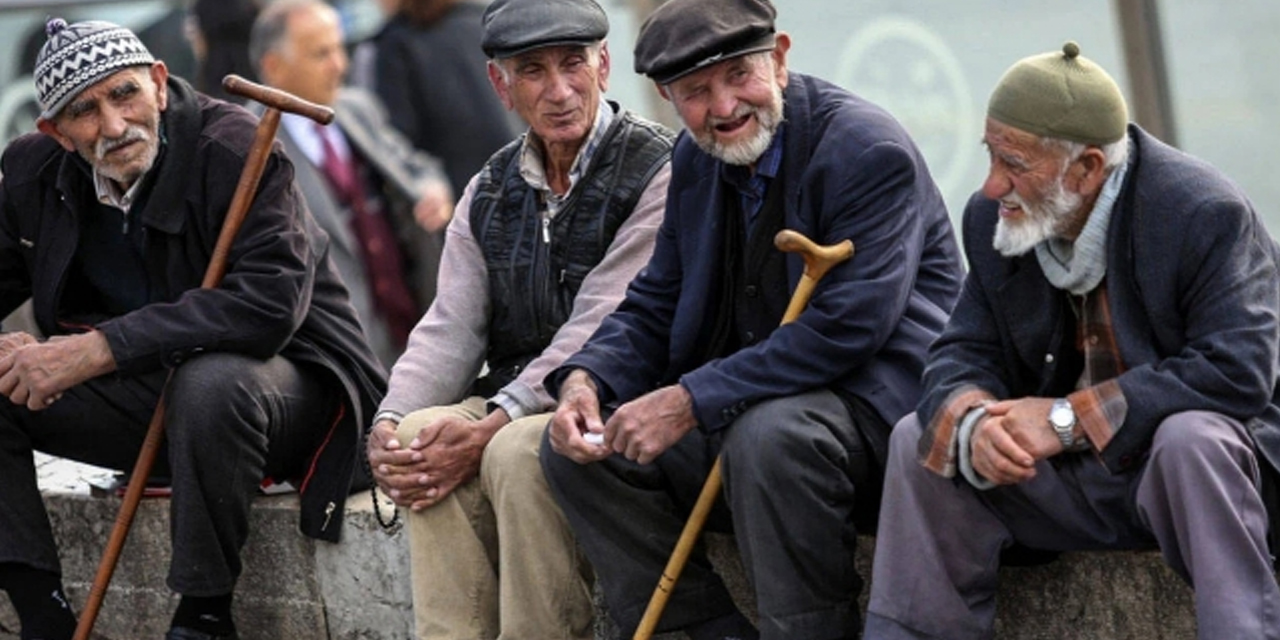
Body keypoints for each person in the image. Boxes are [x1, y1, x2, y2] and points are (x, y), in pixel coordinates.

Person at [539, 0, 965, 638]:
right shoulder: (694, 159)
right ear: (667, 97)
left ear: (782, 58)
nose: (725, 106)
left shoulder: (865, 149)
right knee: (579, 453)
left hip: (879, 410)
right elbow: (656, 299)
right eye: (696, 92)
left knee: (770, 438)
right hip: (750, 402)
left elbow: (849, 330)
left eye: (740, 75)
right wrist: (588, 382)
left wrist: (690, 398)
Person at [863, 42, 1280, 640]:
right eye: (990, 156)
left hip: (1188, 481)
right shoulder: (995, 221)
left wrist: (1065, 420)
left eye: (1013, 164)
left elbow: (1238, 373)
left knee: (1192, 437)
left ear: (1085, 168)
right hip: (1068, 481)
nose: (991, 185)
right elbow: (961, 351)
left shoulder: (1203, 213)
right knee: (921, 436)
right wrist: (977, 420)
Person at [0, 18, 384, 640]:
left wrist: (98, 349)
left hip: (290, 392)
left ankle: (203, 616)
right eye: (84, 111)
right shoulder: (33, 174)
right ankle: (37, 606)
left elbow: (268, 307)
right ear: (56, 133)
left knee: (210, 383)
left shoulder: (232, 147)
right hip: (150, 393)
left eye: (124, 94)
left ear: (157, 82)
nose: (114, 126)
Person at [364, 0, 674, 637]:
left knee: (510, 450)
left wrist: (500, 416)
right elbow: (449, 325)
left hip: (620, 398)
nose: (559, 91)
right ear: (501, 86)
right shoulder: (489, 189)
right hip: (514, 393)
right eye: (533, 71)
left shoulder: (658, 169)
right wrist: (388, 422)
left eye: (573, 65)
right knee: (421, 435)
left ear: (605, 66)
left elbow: (602, 322)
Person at [250, 0, 454, 367]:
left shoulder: (358, 109)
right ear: (273, 67)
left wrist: (432, 191)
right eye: (321, 54)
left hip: (416, 330)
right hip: (343, 351)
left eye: (340, 49)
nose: (340, 65)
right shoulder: (251, 146)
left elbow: (417, 167)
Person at [362, 0, 519, 199]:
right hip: (522, 178)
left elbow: (398, 139)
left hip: (460, 199)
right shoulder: (487, 20)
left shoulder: (395, 43)